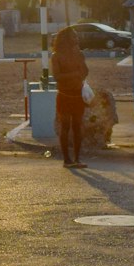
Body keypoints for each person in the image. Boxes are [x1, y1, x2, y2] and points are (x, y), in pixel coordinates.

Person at [48, 26, 90, 169]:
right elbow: (57, 76)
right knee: (65, 126)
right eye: (74, 36)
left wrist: (79, 60)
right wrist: (74, 74)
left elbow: (85, 72)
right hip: (64, 95)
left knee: (78, 126)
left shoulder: (79, 54)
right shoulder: (56, 56)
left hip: (77, 94)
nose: (77, 38)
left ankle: (77, 158)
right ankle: (67, 160)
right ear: (66, 39)